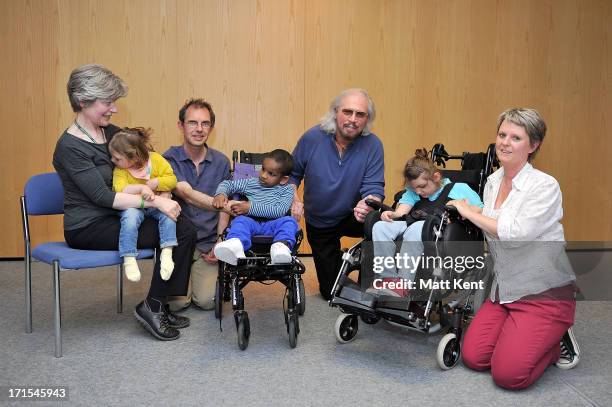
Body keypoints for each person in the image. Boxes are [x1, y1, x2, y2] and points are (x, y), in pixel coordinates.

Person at [53, 64, 195, 341]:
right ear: (83, 102)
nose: (114, 109)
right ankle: (153, 307)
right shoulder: (70, 147)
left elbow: (146, 163)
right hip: (89, 225)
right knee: (182, 229)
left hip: (121, 213)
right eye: (107, 102)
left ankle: (158, 302)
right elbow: (102, 197)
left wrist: (161, 190)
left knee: (183, 226)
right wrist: (156, 204)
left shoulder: (111, 133)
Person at [447, 108, 579, 390]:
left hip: (543, 293)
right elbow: (493, 221)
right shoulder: (493, 182)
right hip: (505, 290)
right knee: (474, 357)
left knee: (509, 376)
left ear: (533, 145)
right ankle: (522, 335)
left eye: (516, 137)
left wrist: (469, 212)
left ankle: (555, 343)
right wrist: (472, 210)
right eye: (502, 134)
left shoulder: (544, 186)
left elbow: (515, 234)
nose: (505, 142)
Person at [290, 88, 384, 300]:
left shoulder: (373, 145)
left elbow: (375, 187)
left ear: (367, 119)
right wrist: (293, 198)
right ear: (335, 112)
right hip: (320, 218)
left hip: (353, 215)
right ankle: (342, 260)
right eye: (347, 112)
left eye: (360, 114)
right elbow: (292, 175)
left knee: (379, 221)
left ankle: (369, 284)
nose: (352, 119)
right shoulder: (312, 138)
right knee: (331, 293)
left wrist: (368, 203)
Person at [370, 148, 483, 296]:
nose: (417, 192)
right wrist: (391, 214)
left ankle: (403, 284)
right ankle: (387, 278)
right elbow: (401, 213)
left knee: (417, 228)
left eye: (422, 187)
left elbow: (481, 210)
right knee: (381, 227)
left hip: (440, 232)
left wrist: (463, 209)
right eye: (413, 188)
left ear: (436, 177)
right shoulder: (413, 192)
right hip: (413, 224)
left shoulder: (458, 189)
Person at [163, 99, 231, 311]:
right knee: (177, 304)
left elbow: (225, 200)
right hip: (179, 242)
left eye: (205, 123)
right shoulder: (168, 159)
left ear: (211, 127)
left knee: (206, 301)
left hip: (208, 243)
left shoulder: (221, 162)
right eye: (192, 123)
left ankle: (203, 274)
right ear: (180, 125)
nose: (199, 129)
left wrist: (219, 241)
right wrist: (224, 205)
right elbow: (186, 194)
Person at [109, 127, 178, 282]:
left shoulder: (156, 160)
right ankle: (129, 257)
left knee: (169, 215)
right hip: (135, 205)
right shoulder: (121, 169)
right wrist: (140, 187)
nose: (113, 161)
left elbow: (172, 180)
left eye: (117, 158)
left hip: (154, 204)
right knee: (130, 217)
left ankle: (167, 253)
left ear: (134, 156)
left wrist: (156, 183)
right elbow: (119, 188)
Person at [213, 149, 298, 265]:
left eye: (271, 174)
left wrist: (250, 208)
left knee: (289, 221)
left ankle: (281, 246)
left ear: (283, 179)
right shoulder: (252, 183)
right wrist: (221, 194)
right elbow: (228, 184)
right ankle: (235, 244)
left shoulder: (287, 190)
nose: (263, 175)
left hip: (273, 225)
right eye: (263, 169)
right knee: (240, 221)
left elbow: (279, 211)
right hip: (251, 223)